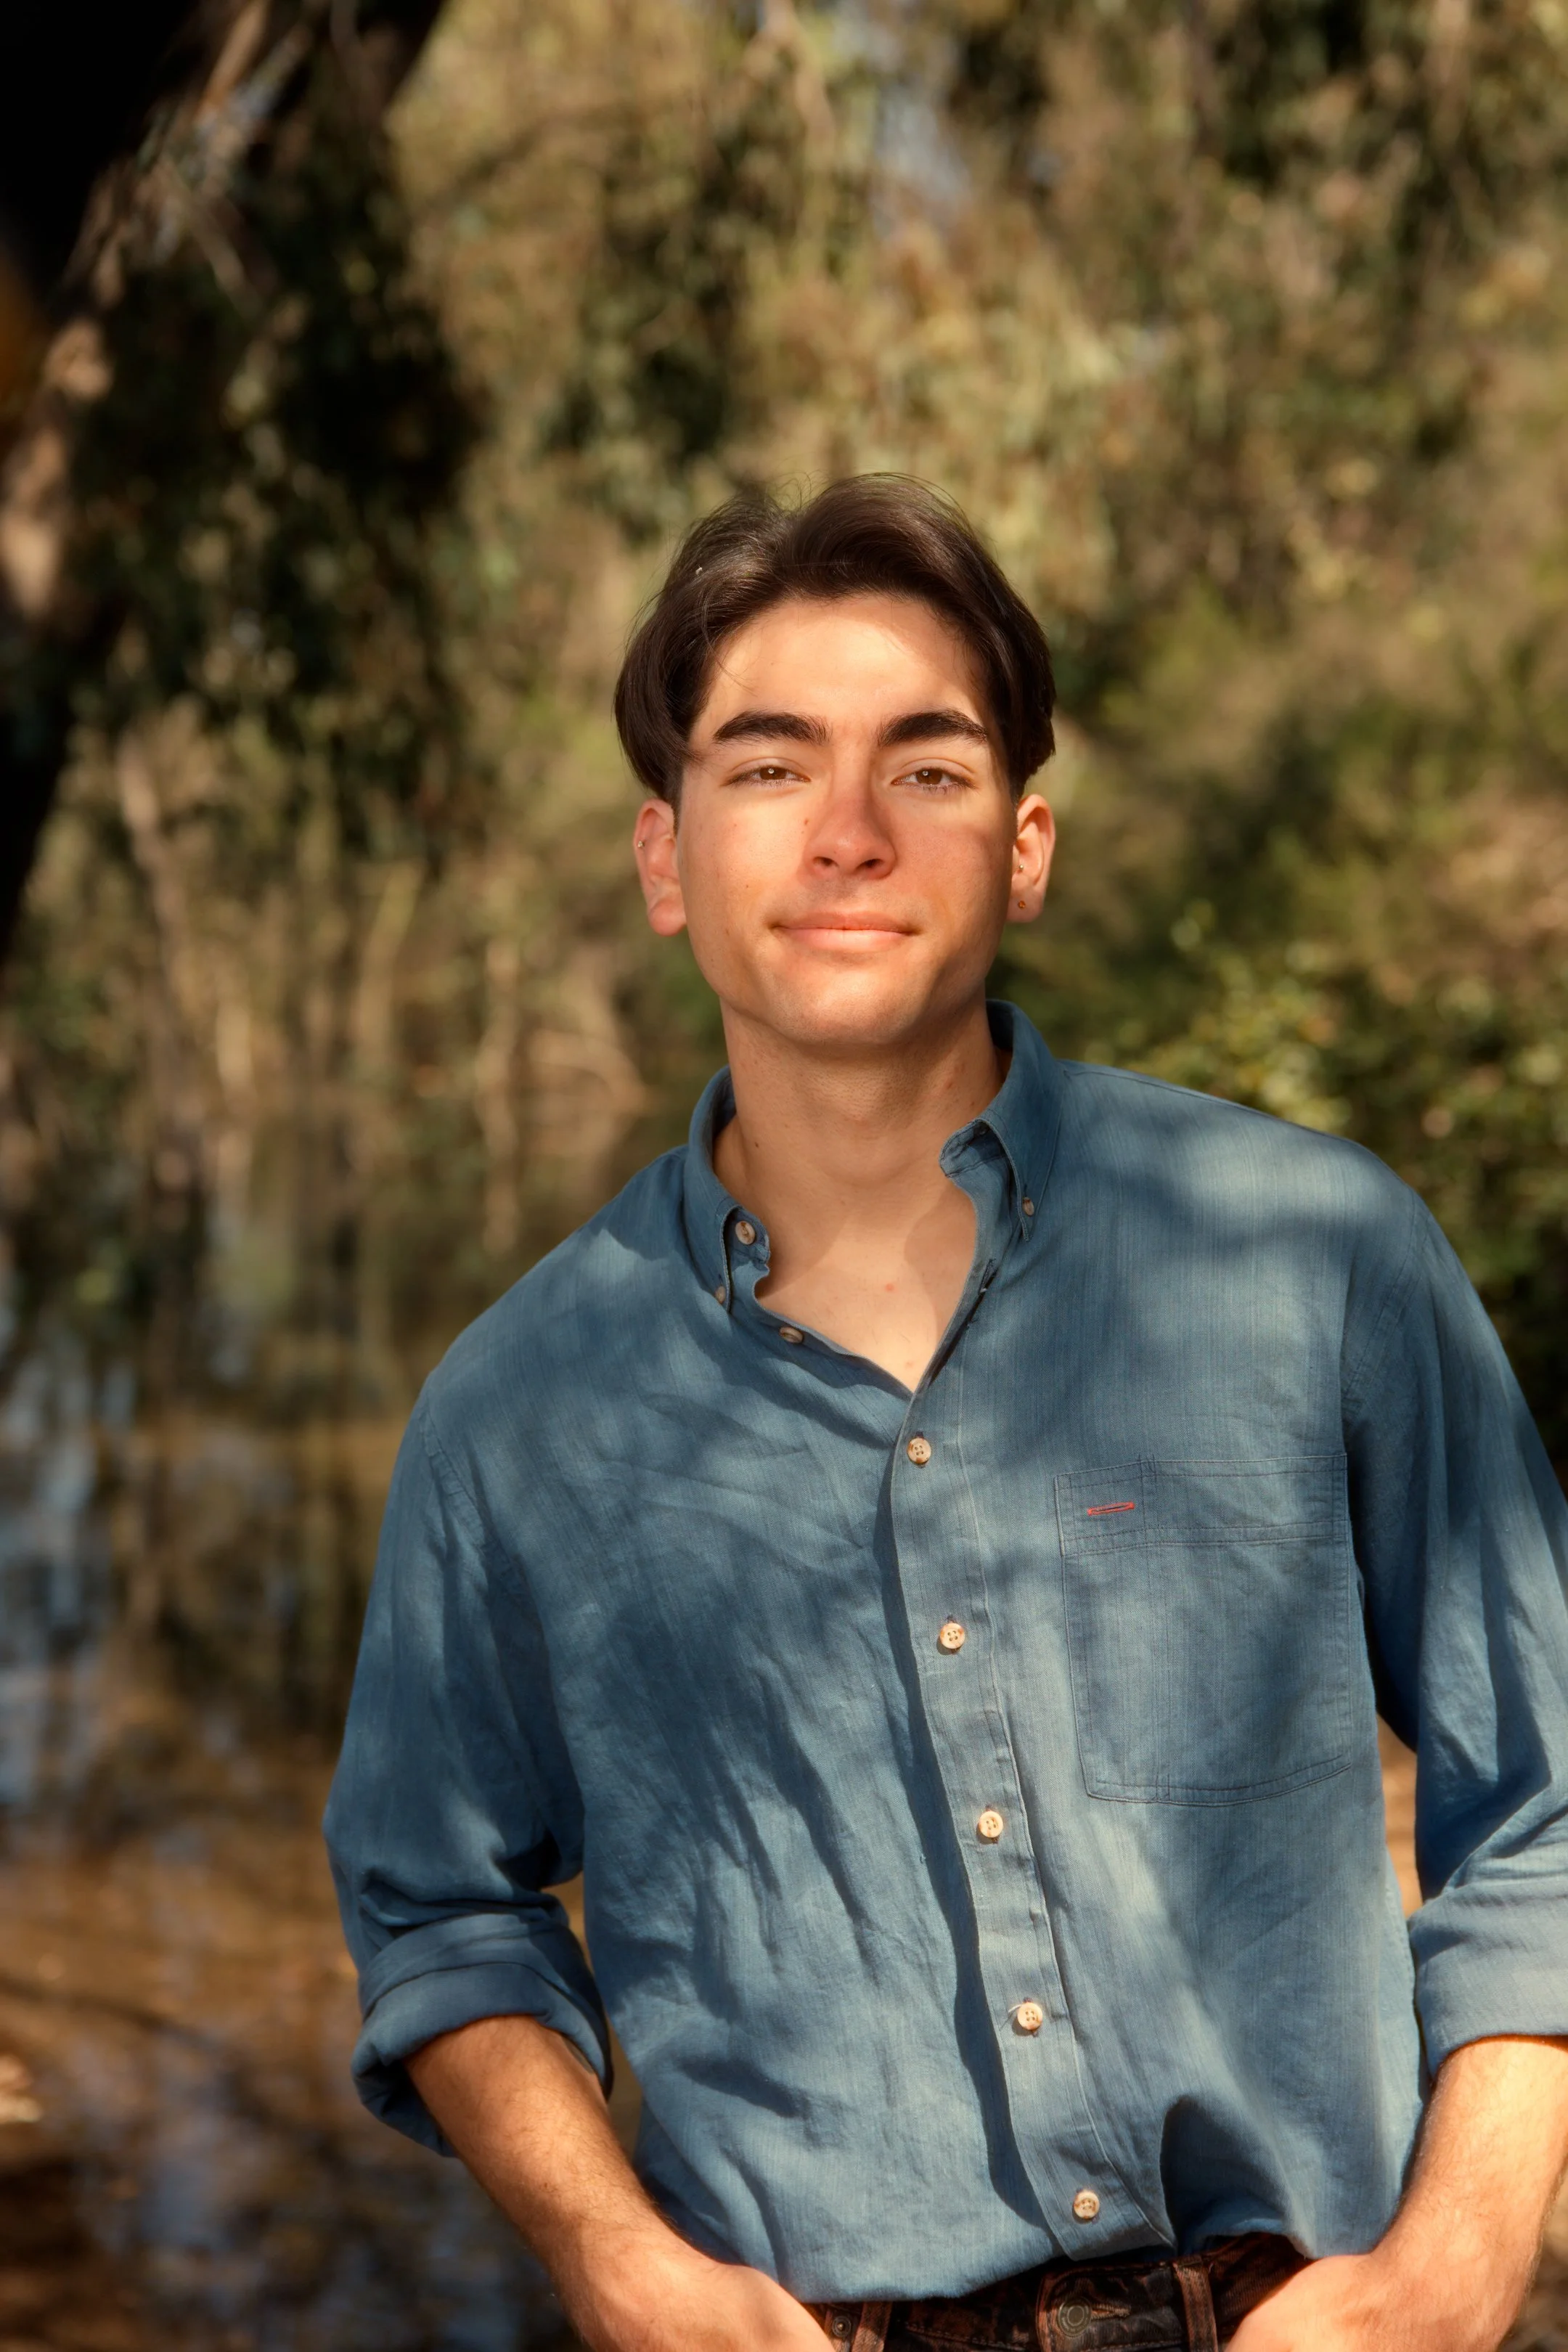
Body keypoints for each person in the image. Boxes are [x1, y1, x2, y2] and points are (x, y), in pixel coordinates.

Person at [324, 476, 1568, 2352]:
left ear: (1025, 847)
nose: (849, 833)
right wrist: (613, 2256)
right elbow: (438, 1906)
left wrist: (1456, 2269)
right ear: (664, 858)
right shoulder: (514, 1415)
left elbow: (1546, 1797)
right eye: (769, 767)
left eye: (926, 767)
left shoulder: (1316, 1258)